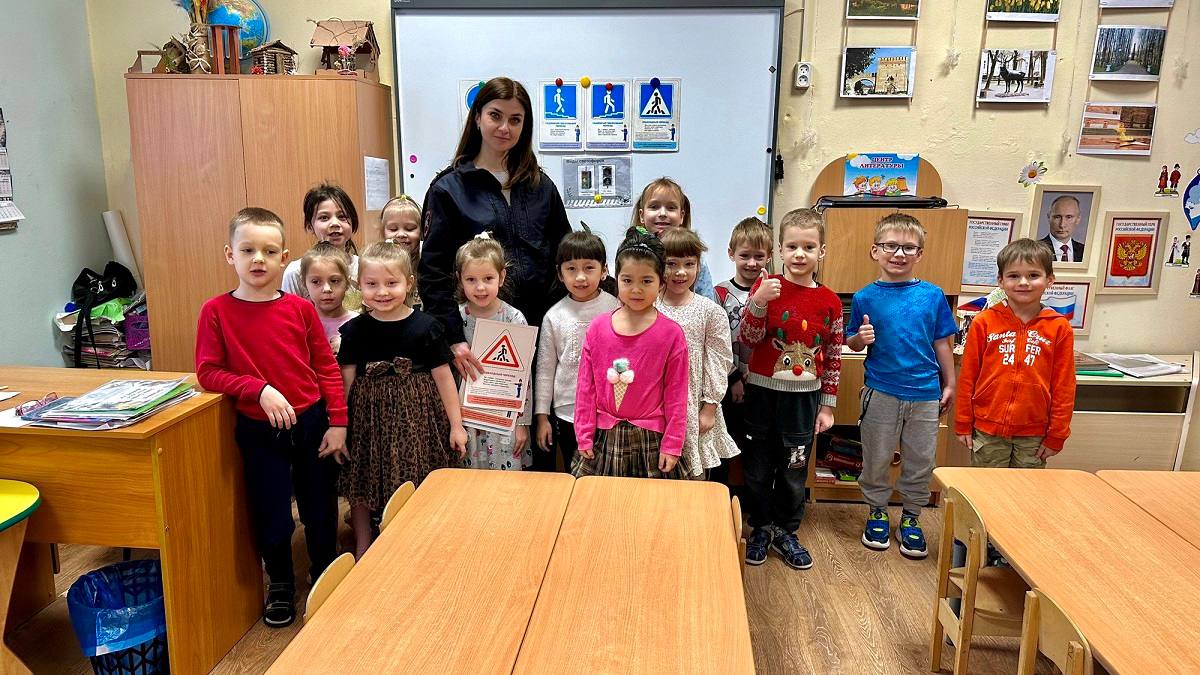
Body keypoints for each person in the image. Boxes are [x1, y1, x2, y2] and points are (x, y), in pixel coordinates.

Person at [195, 207, 348, 628]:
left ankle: (323, 573)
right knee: (272, 511)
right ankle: (280, 582)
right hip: (259, 430)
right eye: (248, 250)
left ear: (284, 257)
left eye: (268, 251)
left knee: (319, 507)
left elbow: (325, 367)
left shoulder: (300, 309)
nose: (258, 259)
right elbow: (208, 372)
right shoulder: (215, 311)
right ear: (230, 254)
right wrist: (258, 389)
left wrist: (338, 423)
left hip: (312, 423)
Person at [420, 77, 571, 382]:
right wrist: (454, 338)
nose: (505, 127)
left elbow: (566, 256)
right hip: (474, 338)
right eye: (495, 116)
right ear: (477, 118)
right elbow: (433, 274)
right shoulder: (448, 189)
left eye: (515, 120)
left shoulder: (541, 186)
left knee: (536, 413)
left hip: (541, 333)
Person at [337, 241, 466, 559]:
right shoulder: (354, 331)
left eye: (391, 283)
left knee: (417, 475)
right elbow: (346, 380)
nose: (382, 292)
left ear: (409, 283)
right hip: (368, 421)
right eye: (371, 284)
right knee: (362, 476)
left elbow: (444, 378)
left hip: (418, 419)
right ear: (359, 285)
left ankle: (416, 540)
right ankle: (364, 544)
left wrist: (456, 425)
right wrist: (340, 424)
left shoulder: (427, 326)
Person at [846, 213, 957, 560]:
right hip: (881, 391)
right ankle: (877, 511)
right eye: (890, 246)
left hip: (925, 393)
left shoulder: (933, 295)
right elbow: (853, 342)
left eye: (908, 248)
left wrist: (950, 382)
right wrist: (859, 338)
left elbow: (942, 342)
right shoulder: (864, 297)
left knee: (920, 460)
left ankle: (911, 517)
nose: (899, 254)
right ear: (875, 251)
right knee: (876, 457)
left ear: (919, 254)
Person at [739, 208, 843, 571]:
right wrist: (758, 301)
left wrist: (827, 406)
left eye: (809, 247)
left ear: (821, 252)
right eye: (793, 247)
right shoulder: (765, 288)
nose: (800, 254)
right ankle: (760, 528)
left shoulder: (830, 301)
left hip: (803, 402)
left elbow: (833, 356)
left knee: (793, 469)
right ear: (780, 251)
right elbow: (748, 339)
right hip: (762, 396)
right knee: (757, 468)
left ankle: (785, 531)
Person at [572, 227, 689, 479]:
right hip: (604, 437)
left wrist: (672, 443)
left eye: (646, 281)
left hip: (652, 439)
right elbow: (585, 388)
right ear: (616, 279)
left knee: (652, 502)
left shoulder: (671, 333)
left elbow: (677, 394)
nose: (636, 289)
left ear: (661, 283)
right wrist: (584, 433)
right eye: (627, 280)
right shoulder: (598, 328)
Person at [955, 238, 1075, 468]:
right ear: (1001, 281)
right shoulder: (984, 322)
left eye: (1033, 275)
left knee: (1025, 488)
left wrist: (1057, 434)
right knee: (987, 486)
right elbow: (968, 377)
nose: (1023, 282)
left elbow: (1064, 386)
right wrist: (963, 422)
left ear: (1049, 280)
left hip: (1035, 433)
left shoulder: (1059, 327)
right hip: (988, 429)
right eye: (1013, 276)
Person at [656, 228, 741, 479]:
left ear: (698, 266)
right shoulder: (649, 306)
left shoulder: (710, 312)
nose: (680, 272)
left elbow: (719, 361)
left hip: (693, 404)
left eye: (689, 264)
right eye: (671, 264)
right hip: (655, 404)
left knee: (694, 477)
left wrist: (710, 408)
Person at [534, 227, 620, 473]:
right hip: (567, 411)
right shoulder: (554, 316)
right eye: (571, 269)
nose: (580, 277)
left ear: (604, 270)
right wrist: (542, 417)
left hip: (609, 411)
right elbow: (545, 370)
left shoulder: (616, 308)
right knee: (575, 473)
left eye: (589, 268)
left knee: (607, 475)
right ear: (560, 274)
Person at [457, 234, 533, 469]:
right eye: (471, 279)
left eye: (488, 278)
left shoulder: (514, 318)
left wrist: (523, 424)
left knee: (507, 483)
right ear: (460, 280)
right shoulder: (456, 319)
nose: (480, 287)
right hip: (468, 417)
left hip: (506, 420)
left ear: (501, 277)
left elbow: (525, 377)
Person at [714, 217, 774, 486]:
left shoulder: (773, 291)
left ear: (769, 257)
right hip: (728, 381)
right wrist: (734, 377)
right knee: (724, 440)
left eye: (759, 256)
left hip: (762, 382)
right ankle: (721, 495)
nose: (752, 263)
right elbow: (717, 343)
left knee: (757, 447)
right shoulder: (719, 293)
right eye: (744, 256)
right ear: (731, 254)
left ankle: (754, 499)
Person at [630, 177, 719, 302]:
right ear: (642, 215)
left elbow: (707, 299)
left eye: (671, 208)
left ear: (681, 216)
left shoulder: (693, 256)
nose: (662, 213)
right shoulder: (633, 253)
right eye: (654, 207)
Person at [282, 184, 361, 306]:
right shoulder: (295, 272)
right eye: (324, 218)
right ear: (310, 226)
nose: (335, 223)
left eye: (342, 216)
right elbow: (290, 314)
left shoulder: (364, 267)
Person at [300, 242, 357, 355]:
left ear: (347, 283)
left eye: (334, 281)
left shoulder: (359, 324)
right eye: (316, 282)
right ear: (304, 284)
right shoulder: (300, 325)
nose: (327, 289)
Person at [380, 194, 424, 309]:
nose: (401, 234)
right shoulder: (377, 262)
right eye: (393, 229)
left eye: (410, 229)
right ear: (383, 232)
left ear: (422, 231)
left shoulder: (426, 262)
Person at [1038, 194, 1086, 263]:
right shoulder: (1035, 250)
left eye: (1069, 217)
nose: (1062, 225)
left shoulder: (1085, 251)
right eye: (1057, 217)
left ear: (1078, 219)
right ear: (1049, 217)